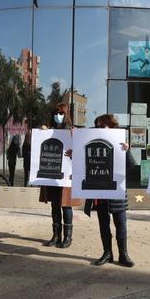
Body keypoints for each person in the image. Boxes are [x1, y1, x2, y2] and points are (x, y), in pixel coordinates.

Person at [83, 114, 135, 267]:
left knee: (121, 223)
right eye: (98, 125)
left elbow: (131, 166)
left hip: (117, 190)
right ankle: (107, 253)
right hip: (100, 191)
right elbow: (83, 165)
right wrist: (75, 155)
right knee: (103, 224)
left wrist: (127, 151)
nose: (100, 128)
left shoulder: (120, 142)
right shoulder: (91, 142)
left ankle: (123, 254)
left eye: (103, 125)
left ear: (111, 126)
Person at [39, 102, 81, 248]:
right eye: (56, 113)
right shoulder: (48, 130)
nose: (58, 116)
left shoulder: (72, 131)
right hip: (52, 172)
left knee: (66, 205)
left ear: (66, 115)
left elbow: (81, 154)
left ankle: (68, 237)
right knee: (55, 205)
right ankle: (56, 235)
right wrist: (42, 133)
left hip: (66, 175)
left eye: (61, 113)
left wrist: (75, 151)